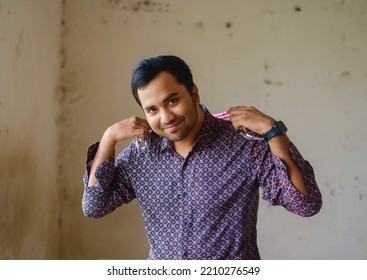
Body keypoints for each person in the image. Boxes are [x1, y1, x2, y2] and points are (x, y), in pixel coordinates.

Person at [82, 55, 322, 260]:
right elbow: (94, 206)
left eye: (172, 101)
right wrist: (108, 139)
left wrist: (273, 131)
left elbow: (305, 205)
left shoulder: (242, 144)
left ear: (194, 94)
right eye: (152, 109)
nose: (165, 118)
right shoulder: (142, 153)